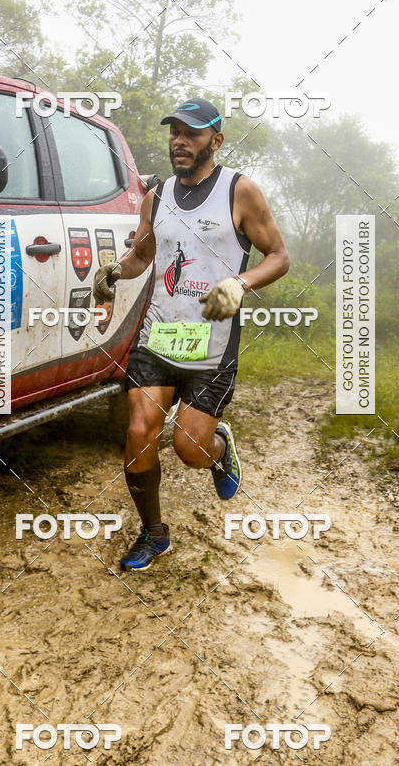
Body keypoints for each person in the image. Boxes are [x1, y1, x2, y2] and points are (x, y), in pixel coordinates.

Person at [93, 98, 290, 571]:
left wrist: (240, 283)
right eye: (174, 132)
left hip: (212, 339)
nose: (179, 142)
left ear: (215, 141)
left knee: (189, 449)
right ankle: (153, 534)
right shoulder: (156, 196)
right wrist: (116, 271)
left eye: (192, 133)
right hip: (159, 333)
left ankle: (218, 449)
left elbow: (278, 256)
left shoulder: (239, 192)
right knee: (139, 430)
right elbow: (143, 256)